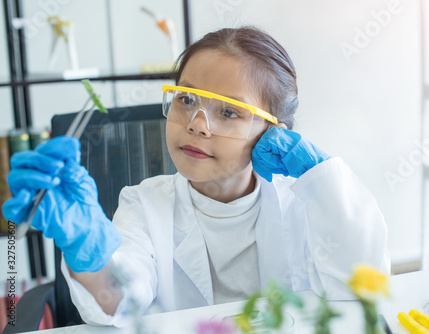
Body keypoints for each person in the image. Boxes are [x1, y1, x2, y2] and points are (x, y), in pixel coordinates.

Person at [3, 26, 390, 327]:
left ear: (276, 131)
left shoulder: (307, 203)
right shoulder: (142, 205)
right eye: (186, 100)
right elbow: (120, 304)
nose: (197, 126)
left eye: (228, 111)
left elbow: (361, 289)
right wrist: (91, 252)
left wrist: (321, 179)